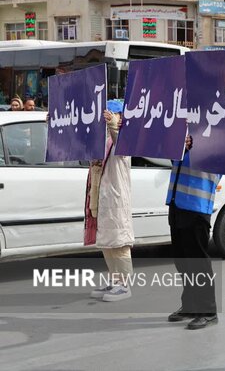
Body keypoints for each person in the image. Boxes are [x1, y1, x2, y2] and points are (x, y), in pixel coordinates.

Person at [166, 133, 222, 330]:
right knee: (181, 259)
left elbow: (216, 164)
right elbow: (173, 159)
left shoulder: (215, 135)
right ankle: (189, 306)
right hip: (177, 201)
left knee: (198, 261)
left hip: (197, 206)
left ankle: (208, 311)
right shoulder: (183, 131)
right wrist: (179, 145)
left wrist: (195, 146)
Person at [87, 100, 134, 302]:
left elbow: (119, 142)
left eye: (112, 114)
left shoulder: (125, 140)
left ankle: (124, 285)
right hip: (102, 198)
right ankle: (114, 280)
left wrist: (114, 125)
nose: (106, 117)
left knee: (120, 242)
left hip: (116, 199)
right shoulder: (100, 140)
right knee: (107, 242)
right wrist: (54, 126)